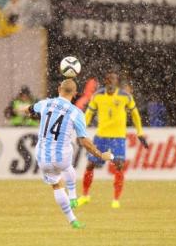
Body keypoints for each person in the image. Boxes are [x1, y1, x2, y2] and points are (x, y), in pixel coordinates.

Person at [26, 79, 113, 229]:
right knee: (68, 157)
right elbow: (84, 141)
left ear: (59, 88)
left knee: (56, 185)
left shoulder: (46, 103)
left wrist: (28, 111)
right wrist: (101, 155)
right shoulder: (76, 113)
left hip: (43, 158)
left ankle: (73, 220)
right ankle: (73, 196)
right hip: (62, 158)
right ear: (75, 93)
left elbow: (31, 109)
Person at [77, 70, 148, 209]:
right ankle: (85, 196)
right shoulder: (97, 96)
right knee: (90, 165)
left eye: (114, 80)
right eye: (109, 80)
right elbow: (88, 114)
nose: (111, 82)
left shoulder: (125, 96)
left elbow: (135, 114)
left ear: (117, 82)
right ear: (105, 81)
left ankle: (116, 199)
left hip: (118, 137)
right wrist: (81, 132)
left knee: (119, 165)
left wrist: (140, 132)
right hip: (101, 136)